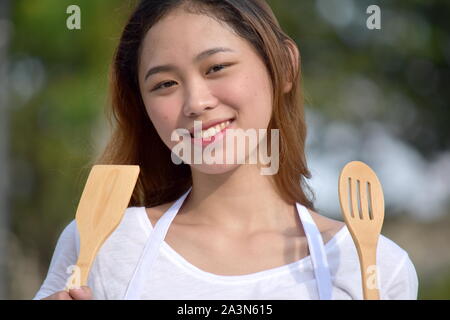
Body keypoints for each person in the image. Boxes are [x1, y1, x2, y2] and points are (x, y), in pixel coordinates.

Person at [34, 0, 418, 300]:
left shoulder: (373, 265)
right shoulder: (101, 244)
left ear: (284, 67)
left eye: (216, 67)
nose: (196, 102)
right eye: (165, 84)